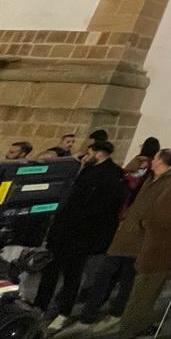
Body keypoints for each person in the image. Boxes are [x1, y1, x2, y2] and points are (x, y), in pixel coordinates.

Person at [67, 148, 171, 337]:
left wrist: (143, 225)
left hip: (139, 240)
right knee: (107, 275)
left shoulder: (168, 183)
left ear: (161, 161)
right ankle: (90, 313)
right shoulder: (152, 178)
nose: (151, 161)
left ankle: (115, 313)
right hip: (126, 236)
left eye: (155, 158)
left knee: (126, 280)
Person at [36, 142, 124, 333]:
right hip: (63, 232)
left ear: (99, 153)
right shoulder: (87, 169)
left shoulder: (111, 175)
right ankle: (40, 307)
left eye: (90, 152)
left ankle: (62, 313)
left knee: (72, 276)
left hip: (80, 236)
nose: (86, 155)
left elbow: (103, 208)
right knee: (50, 271)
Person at [118, 160, 171, 339]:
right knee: (143, 295)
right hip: (158, 253)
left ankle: (139, 325)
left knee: (148, 294)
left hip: (160, 252)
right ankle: (129, 330)